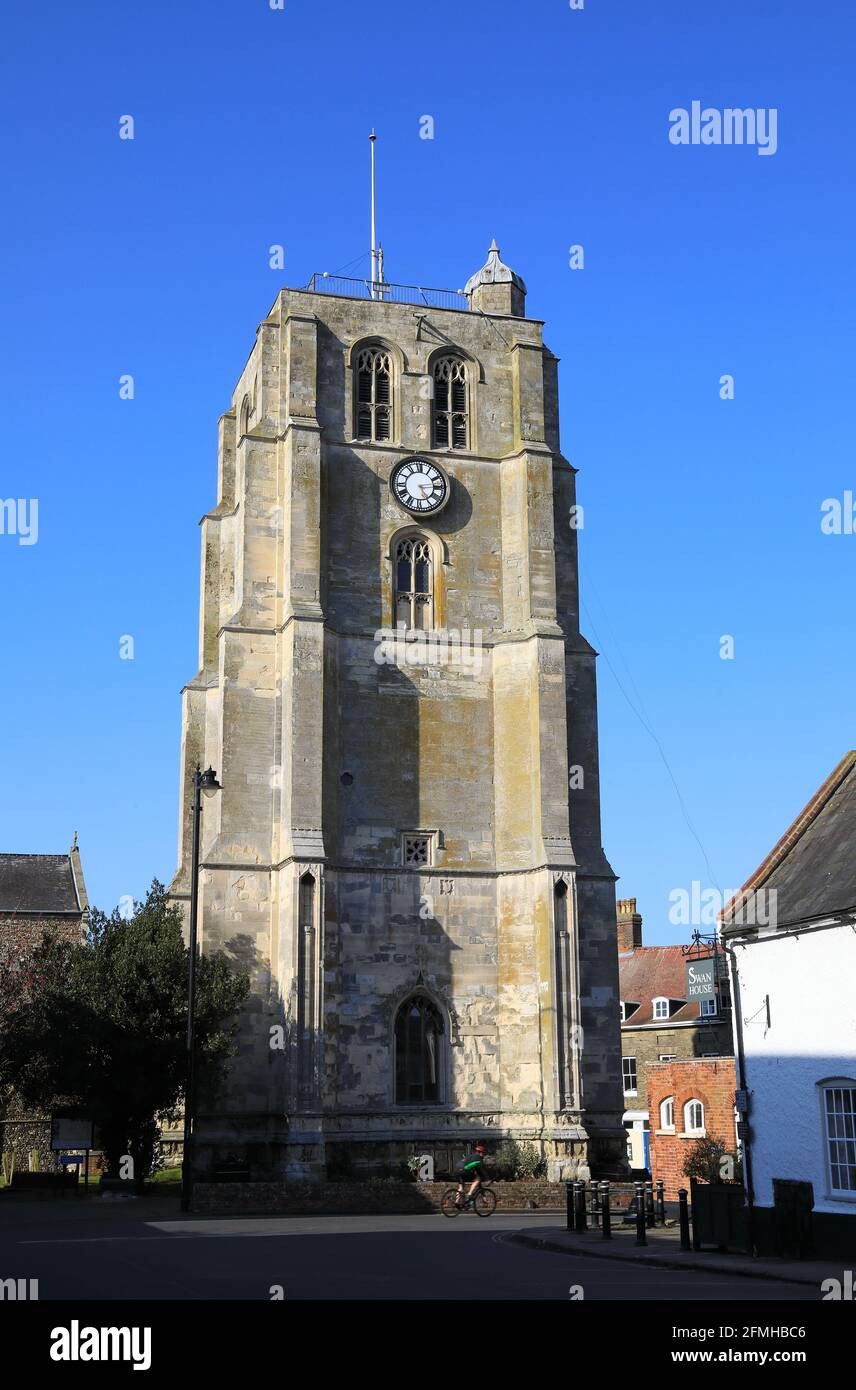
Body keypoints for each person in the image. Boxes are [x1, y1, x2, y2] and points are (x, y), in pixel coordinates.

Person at [455, 1143, 488, 1208]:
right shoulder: (479, 1158)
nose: (483, 1155)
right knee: (478, 1179)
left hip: (456, 1170)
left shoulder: (470, 1156)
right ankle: (469, 1194)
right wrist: (487, 1179)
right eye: (483, 1153)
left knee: (461, 1187)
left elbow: (473, 1167)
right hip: (464, 1170)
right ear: (481, 1153)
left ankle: (456, 1201)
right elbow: (481, 1170)